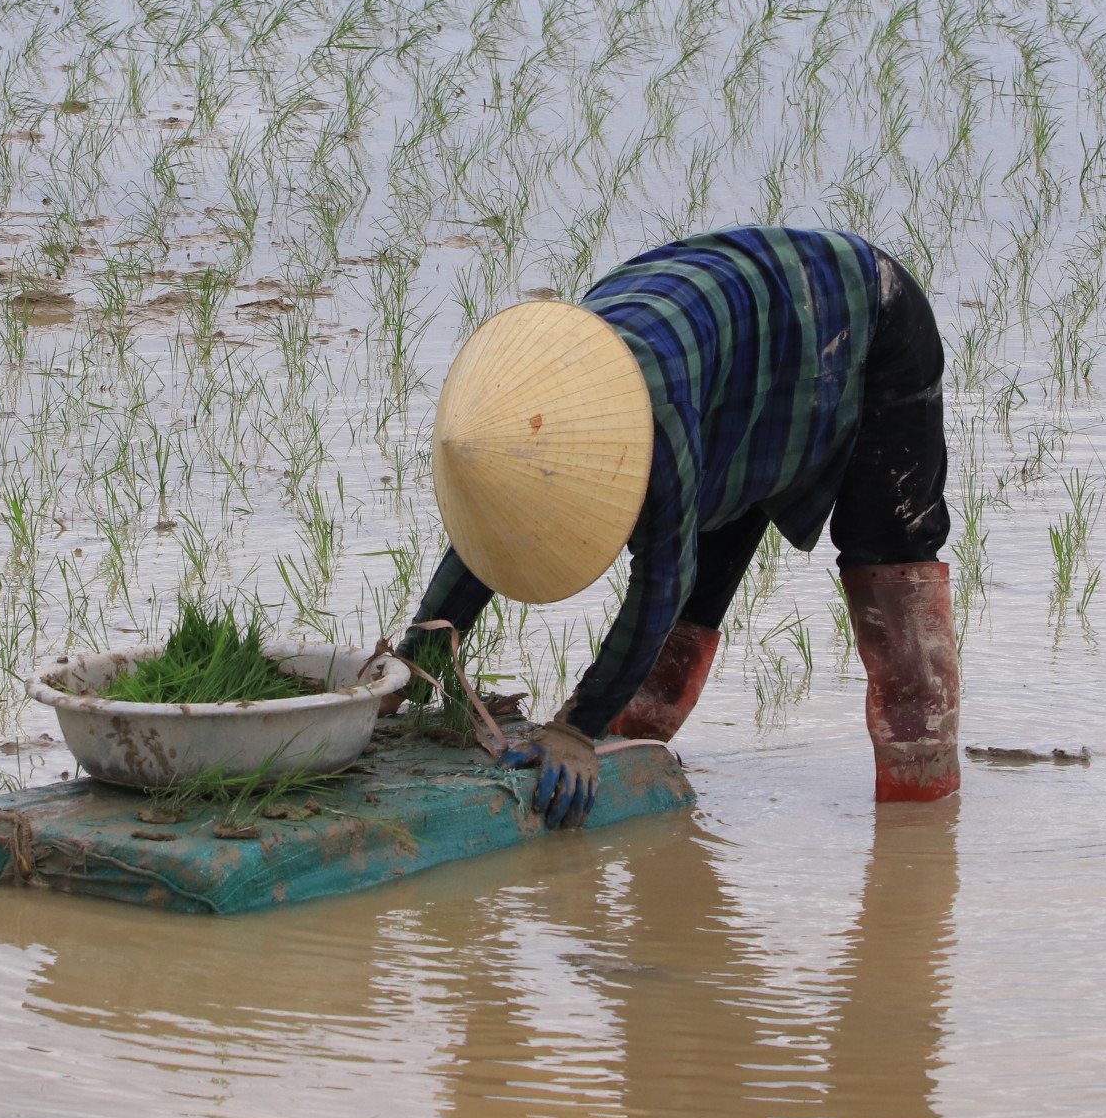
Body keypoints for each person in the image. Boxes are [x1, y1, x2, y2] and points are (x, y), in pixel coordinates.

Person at [406, 226, 956, 828]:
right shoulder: (529, 414)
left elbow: (661, 578)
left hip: (857, 311)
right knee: (701, 563)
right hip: (731, 351)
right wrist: (415, 662)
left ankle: (920, 808)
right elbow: (491, 538)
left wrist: (574, 727)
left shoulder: (651, 413)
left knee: (887, 553)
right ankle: (637, 769)